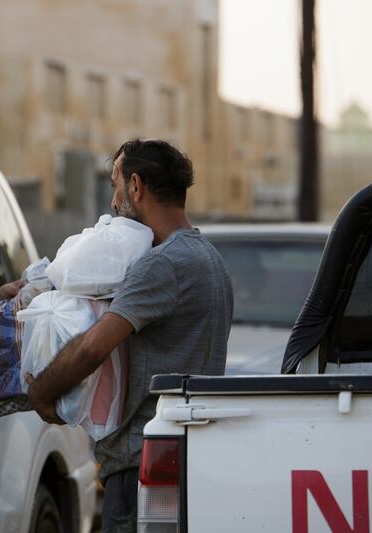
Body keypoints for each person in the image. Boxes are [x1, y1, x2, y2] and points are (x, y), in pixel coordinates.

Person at [25, 139, 233, 532]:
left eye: (115, 183)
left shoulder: (163, 265)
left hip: (143, 462)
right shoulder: (210, 258)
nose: (112, 200)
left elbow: (92, 349)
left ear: (136, 186)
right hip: (190, 453)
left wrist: (41, 392)